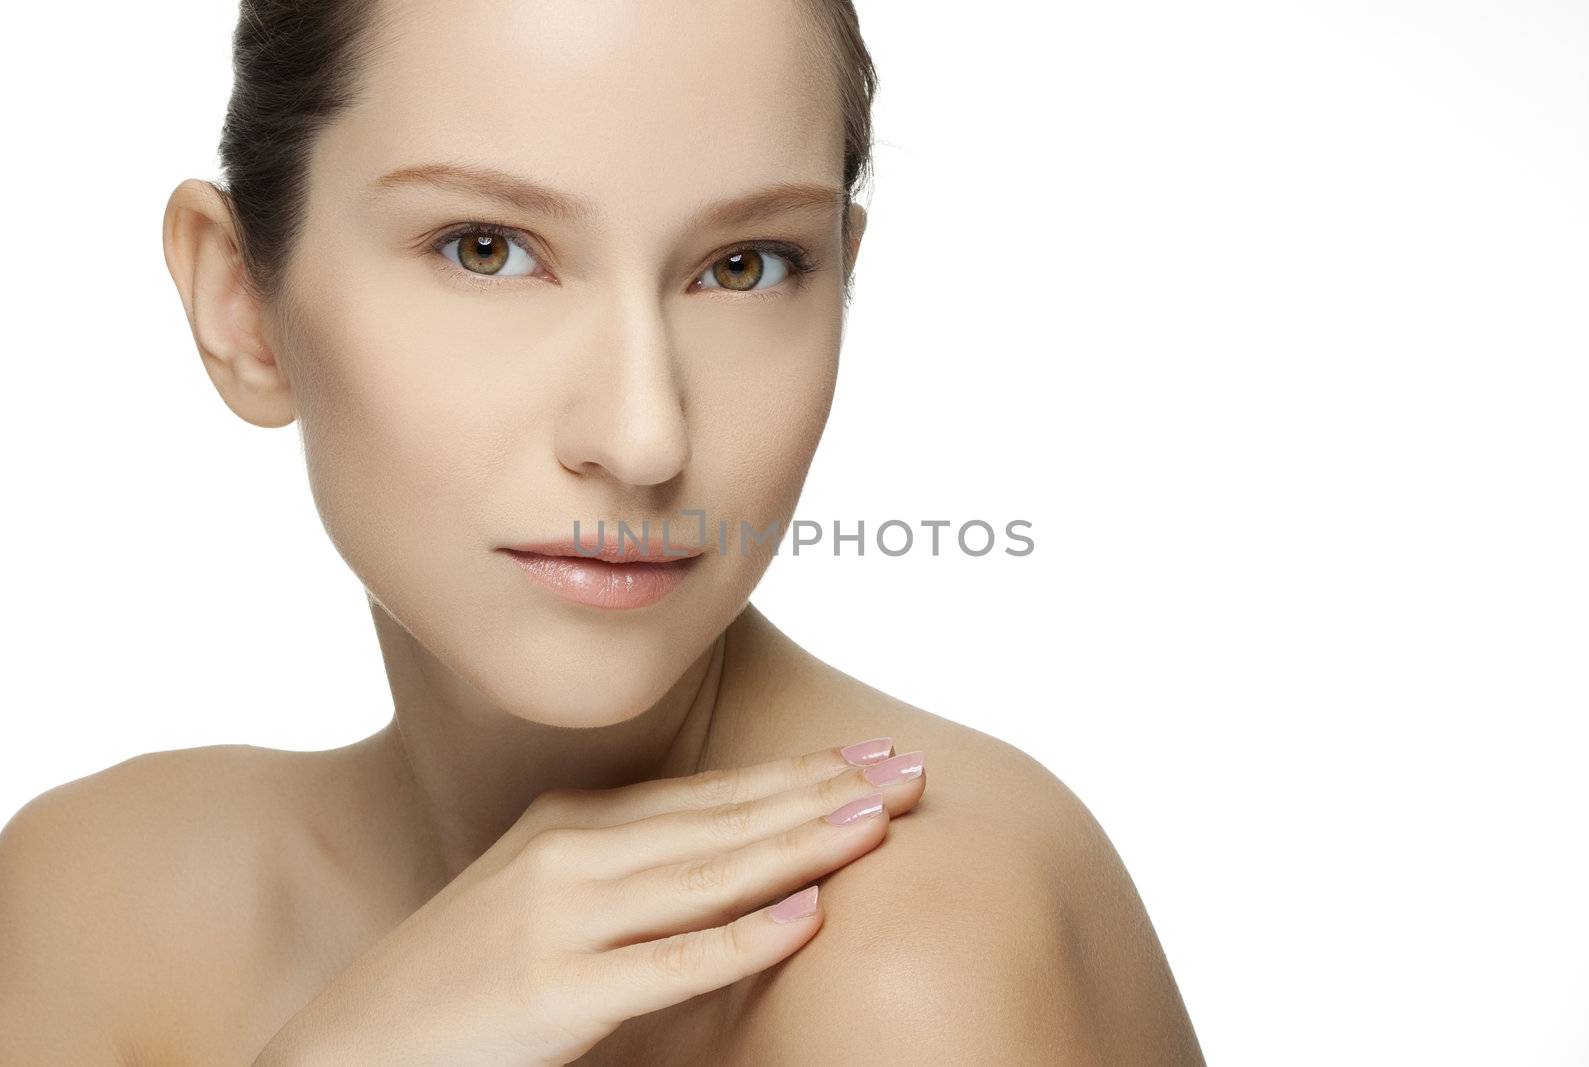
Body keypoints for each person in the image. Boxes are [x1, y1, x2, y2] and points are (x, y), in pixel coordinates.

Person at [0, 1, 1204, 1063]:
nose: (642, 436)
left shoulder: (920, 957)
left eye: (745, 266)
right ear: (240, 304)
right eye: (489, 249)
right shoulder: (96, 900)